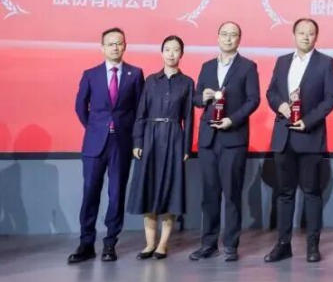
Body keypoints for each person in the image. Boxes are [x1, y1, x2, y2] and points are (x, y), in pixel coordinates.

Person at [264, 18, 333, 263]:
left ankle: (312, 246)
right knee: (284, 194)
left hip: (310, 136)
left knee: (311, 192)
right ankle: (283, 245)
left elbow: (331, 98)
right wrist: (280, 105)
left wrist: (308, 120)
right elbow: (271, 92)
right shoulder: (282, 61)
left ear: (316, 36)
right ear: (294, 35)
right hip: (283, 136)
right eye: (301, 32)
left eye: (311, 33)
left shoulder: (325, 63)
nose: (306, 37)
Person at [69, 27, 144, 264]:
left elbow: (140, 110)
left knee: (116, 194)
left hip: (121, 143)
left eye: (119, 43)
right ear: (102, 48)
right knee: (90, 192)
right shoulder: (90, 74)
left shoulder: (135, 74)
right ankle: (86, 243)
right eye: (110, 43)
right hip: (95, 144)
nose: (115, 47)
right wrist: (95, 128)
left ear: (125, 46)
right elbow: (81, 107)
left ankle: (110, 243)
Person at [190, 21, 260, 262]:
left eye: (233, 35)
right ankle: (208, 244)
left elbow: (253, 100)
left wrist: (233, 119)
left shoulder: (248, 67)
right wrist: (203, 97)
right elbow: (196, 98)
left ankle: (230, 244)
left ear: (239, 39)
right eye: (224, 34)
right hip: (209, 138)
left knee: (231, 193)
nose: (228, 38)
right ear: (217, 37)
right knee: (209, 194)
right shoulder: (207, 66)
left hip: (233, 137)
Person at [127, 35, 194, 260]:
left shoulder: (187, 83)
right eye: (167, 49)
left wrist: (186, 147)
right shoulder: (151, 81)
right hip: (150, 138)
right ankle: (149, 244)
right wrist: (137, 141)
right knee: (148, 189)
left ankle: (163, 244)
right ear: (161, 52)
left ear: (181, 54)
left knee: (170, 191)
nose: (171, 54)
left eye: (176, 50)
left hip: (174, 138)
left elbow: (189, 117)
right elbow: (141, 113)